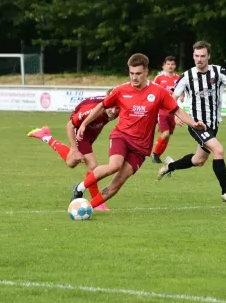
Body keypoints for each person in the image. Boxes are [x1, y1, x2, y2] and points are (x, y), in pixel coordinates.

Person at [70, 53, 206, 208]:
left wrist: (193, 123)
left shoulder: (159, 92)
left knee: (119, 180)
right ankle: (80, 188)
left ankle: (88, 207)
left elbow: (177, 111)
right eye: (131, 73)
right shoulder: (121, 90)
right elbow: (102, 105)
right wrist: (84, 124)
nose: (134, 78)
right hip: (121, 136)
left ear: (146, 72)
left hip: (141, 147)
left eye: (138, 74)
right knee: (114, 165)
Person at [157, 40, 226, 203]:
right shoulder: (187, 76)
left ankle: (169, 166)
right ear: (193, 56)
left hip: (213, 124)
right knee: (218, 151)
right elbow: (173, 99)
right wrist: (176, 115)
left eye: (203, 56)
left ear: (209, 56)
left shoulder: (218, 72)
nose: (199, 59)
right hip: (196, 124)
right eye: (196, 56)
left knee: (199, 161)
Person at [27, 89, 119, 211]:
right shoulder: (91, 111)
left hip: (93, 130)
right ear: (107, 101)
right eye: (111, 107)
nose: (113, 112)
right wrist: (75, 149)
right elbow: (70, 125)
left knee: (71, 162)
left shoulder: (117, 105)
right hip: (80, 129)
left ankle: (46, 136)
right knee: (92, 165)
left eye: (117, 108)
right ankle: (98, 203)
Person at [150, 56, 181, 164]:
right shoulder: (159, 78)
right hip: (162, 111)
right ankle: (154, 154)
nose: (170, 66)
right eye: (168, 64)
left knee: (167, 136)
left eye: (172, 64)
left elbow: (183, 91)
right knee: (166, 133)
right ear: (164, 65)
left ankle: (157, 155)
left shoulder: (179, 78)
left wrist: (182, 95)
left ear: (175, 66)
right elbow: (153, 92)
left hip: (173, 111)